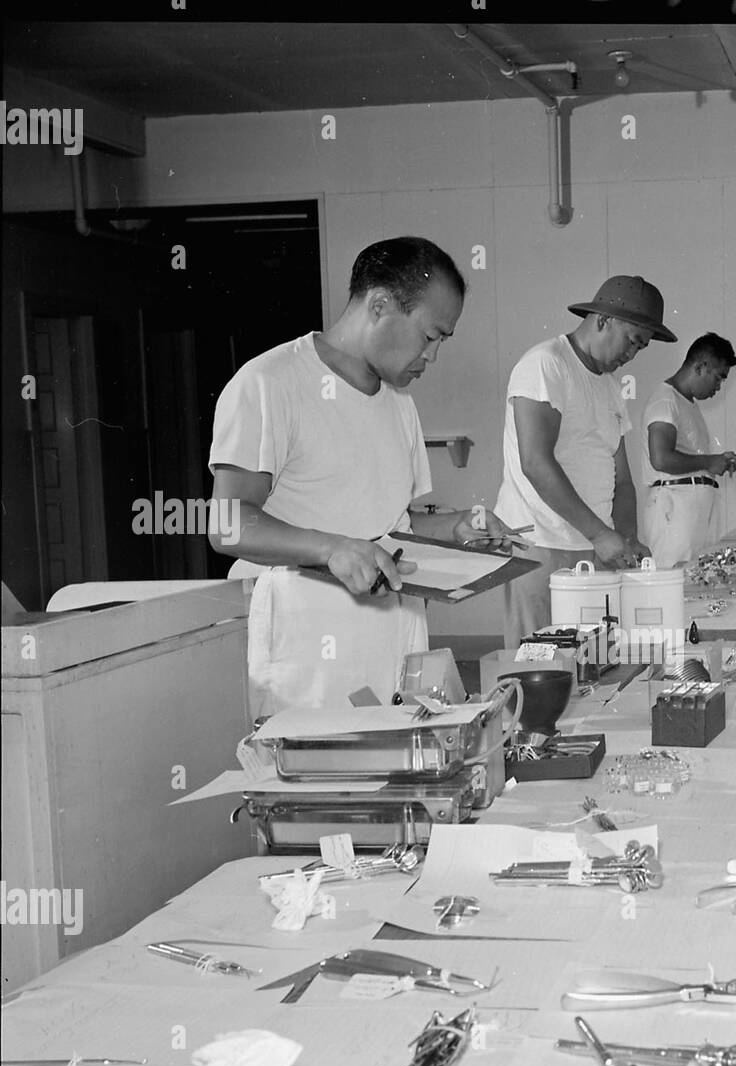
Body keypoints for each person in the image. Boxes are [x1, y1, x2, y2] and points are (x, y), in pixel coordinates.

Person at [208, 236, 518, 716]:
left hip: (395, 647)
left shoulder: (399, 404)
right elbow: (228, 523)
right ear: (379, 305)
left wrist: (456, 527)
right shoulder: (270, 384)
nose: (432, 356)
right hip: (308, 660)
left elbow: (393, 526)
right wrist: (332, 548)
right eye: (430, 335)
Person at [493, 275, 676, 649]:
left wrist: (626, 536)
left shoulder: (609, 387)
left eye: (641, 348)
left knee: (592, 665)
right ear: (603, 320)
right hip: (541, 545)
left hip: (592, 547)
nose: (633, 354)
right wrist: (599, 533)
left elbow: (622, 478)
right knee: (539, 665)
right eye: (632, 341)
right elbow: (535, 462)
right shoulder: (546, 365)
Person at [641, 333, 736, 569]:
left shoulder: (685, 403)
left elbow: (690, 457)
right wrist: (709, 462)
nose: (719, 387)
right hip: (673, 513)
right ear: (701, 367)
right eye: (718, 378)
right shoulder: (665, 401)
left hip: (689, 513)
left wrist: (718, 461)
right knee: (675, 587)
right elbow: (661, 458)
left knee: (694, 586)